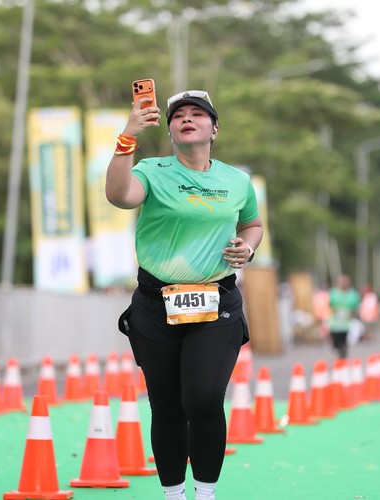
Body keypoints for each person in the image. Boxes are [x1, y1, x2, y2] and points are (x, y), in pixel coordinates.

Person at [106, 89, 263, 500]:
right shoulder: (152, 170)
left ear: (215, 129)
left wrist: (248, 247)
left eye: (197, 114)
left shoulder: (236, 180)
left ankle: (205, 493)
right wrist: (127, 136)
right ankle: (174, 494)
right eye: (178, 116)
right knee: (167, 405)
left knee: (204, 398)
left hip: (216, 302)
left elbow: (252, 224)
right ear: (171, 131)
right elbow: (119, 197)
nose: (187, 119)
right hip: (156, 303)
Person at [327, 274, 360, 358]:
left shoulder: (353, 294)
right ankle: (336, 347)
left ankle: (343, 355)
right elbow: (330, 304)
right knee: (336, 339)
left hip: (347, 323)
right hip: (336, 323)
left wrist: (352, 313)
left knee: (345, 340)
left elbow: (356, 306)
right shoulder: (333, 293)